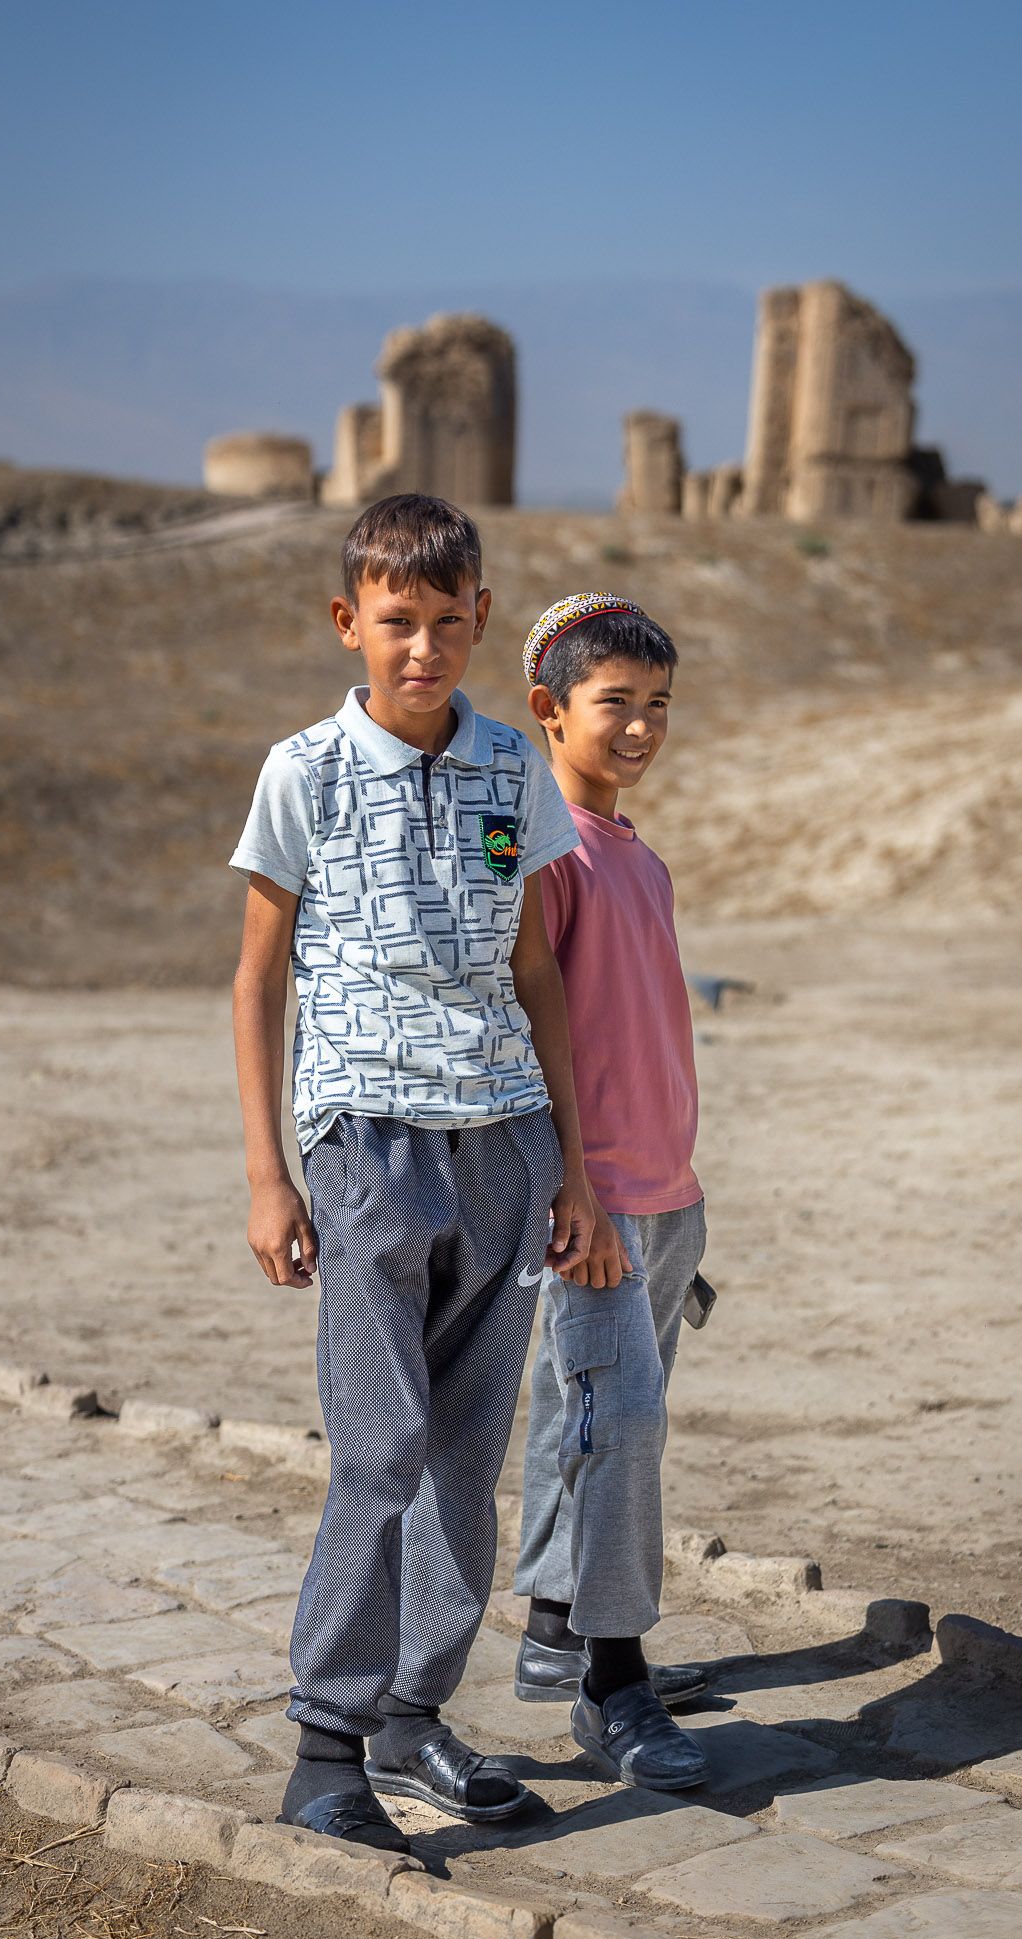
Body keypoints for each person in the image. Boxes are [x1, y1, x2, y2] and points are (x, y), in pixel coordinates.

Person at [229, 497, 597, 1851]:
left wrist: (574, 1167)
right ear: (350, 624)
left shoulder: (516, 771)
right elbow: (256, 979)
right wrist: (272, 1175)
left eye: (450, 622)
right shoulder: (305, 772)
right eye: (398, 622)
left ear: (483, 621)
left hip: (504, 1142)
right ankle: (324, 1749)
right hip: (366, 1143)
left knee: (462, 1458)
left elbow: (536, 970)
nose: (424, 648)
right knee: (377, 1448)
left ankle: (412, 1718)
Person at [512, 591, 713, 1792]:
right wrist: (570, 1191)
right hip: (591, 1203)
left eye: (657, 706)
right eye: (613, 703)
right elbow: (528, 1026)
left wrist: (677, 1199)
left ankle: (554, 1619)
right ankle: (613, 1680)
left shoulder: (644, 858)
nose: (638, 726)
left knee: (586, 1418)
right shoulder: (542, 851)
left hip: (667, 1198)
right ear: (549, 709)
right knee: (617, 1429)